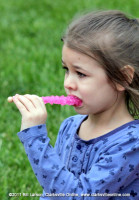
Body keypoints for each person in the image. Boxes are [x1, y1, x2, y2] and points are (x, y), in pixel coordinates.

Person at [9, 10, 139, 199]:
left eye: (81, 73)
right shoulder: (70, 126)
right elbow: (53, 190)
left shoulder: (131, 142)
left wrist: (35, 139)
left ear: (123, 78)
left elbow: (78, 195)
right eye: (66, 70)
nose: (67, 83)